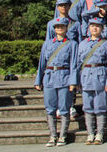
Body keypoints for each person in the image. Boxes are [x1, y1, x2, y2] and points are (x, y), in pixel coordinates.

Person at [34, 17, 78, 147]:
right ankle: (52, 135)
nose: (59, 29)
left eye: (62, 27)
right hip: (49, 78)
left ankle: (63, 136)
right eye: (57, 27)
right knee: (50, 109)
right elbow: (42, 63)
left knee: (64, 109)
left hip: (64, 77)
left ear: (66, 28)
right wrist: (38, 80)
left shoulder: (72, 44)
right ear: (54, 29)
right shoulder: (47, 44)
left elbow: (73, 64)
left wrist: (73, 81)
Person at [77, 17, 107, 145]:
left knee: (100, 107)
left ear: (102, 29)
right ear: (89, 28)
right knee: (87, 107)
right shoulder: (82, 44)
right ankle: (90, 133)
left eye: (98, 26)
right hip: (86, 77)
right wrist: (76, 82)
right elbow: (78, 64)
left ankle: (100, 133)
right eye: (92, 26)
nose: (95, 28)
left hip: (100, 77)